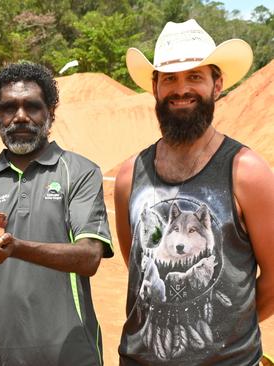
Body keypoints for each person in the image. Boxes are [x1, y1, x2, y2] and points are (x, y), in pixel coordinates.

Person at [115, 19, 274, 364]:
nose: (181, 89)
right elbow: (139, 263)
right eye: (170, 78)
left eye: (195, 77)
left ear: (217, 85)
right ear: (155, 87)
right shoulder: (130, 175)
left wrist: (228, 331)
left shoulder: (246, 172)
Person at [0, 62, 114, 365]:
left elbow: (89, 257)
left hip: (71, 355)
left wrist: (16, 248)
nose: (21, 116)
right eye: (9, 107)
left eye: (33, 107)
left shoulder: (79, 173)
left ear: (50, 113)